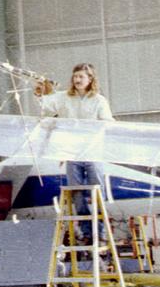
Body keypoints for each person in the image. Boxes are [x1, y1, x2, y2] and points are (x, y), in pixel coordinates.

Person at [35, 62, 114, 231]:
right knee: (75, 191)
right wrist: (41, 94)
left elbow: (107, 123)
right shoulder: (64, 97)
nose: (77, 80)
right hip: (72, 152)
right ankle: (86, 230)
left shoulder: (99, 101)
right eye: (75, 76)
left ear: (90, 79)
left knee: (98, 190)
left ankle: (100, 230)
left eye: (81, 76)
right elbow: (46, 106)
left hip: (92, 152)